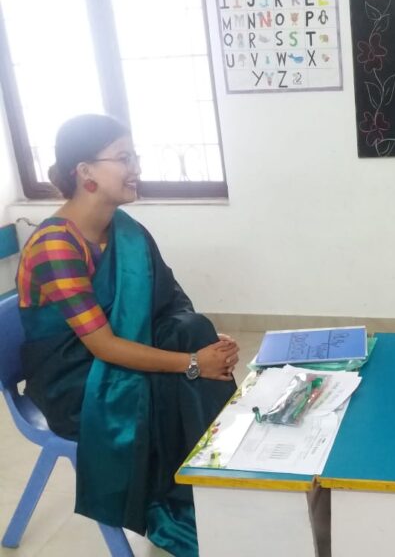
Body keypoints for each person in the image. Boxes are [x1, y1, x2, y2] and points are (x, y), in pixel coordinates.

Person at [15, 114, 240, 555]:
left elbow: (170, 301)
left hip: (110, 358)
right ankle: (187, 503)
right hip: (74, 382)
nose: (135, 167)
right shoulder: (56, 245)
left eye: (134, 156)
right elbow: (102, 346)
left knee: (193, 330)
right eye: (123, 158)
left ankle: (220, 489)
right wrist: (194, 363)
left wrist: (204, 344)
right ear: (86, 171)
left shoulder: (125, 232)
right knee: (184, 382)